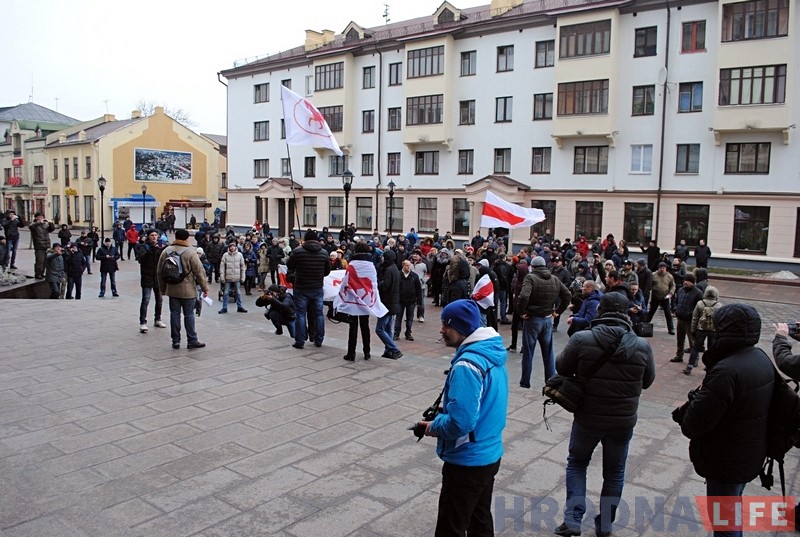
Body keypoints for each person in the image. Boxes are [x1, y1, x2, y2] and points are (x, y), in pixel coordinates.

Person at [554, 292, 655, 537]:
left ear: (601, 310)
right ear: (625, 313)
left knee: (577, 463)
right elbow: (648, 381)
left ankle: (573, 520)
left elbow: (561, 367)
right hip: (623, 419)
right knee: (615, 471)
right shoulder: (642, 346)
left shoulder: (582, 339)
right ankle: (606, 525)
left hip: (588, 416)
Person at [674, 304, 773, 537]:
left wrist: (691, 406)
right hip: (748, 453)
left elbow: (694, 424)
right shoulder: (759, 357)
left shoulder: (726, 371)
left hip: (726, 460)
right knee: (731, 511)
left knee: (724, 523)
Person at [416, 299, 508, 537]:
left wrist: (432, 427)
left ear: (463, 327)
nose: (441, 330)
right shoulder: (491, 353)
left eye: (447, 325)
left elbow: (461, 422)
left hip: (468, 459)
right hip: (489, 452)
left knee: (451, 526)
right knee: (480, 520)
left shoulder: (467, 365)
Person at [515, 256, 571, 389]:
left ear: (532, 267)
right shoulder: (554, 278)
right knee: (548, 353)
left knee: (528, 352)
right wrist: (558, 310)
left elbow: (523, 296)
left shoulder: (530, 278)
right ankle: (550, 381)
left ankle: (525, 381)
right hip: (547, 319)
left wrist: (521, 311)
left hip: (532, 319)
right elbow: (567, 294)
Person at [157, 229, 209, 349]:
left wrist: (162, 288)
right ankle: (192, 340)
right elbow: (199, 272)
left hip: (172, 289)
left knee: (174, 314)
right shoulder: (190, 252)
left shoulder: (167, 251)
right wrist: (205, 288)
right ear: (187, 238)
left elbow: (159, 272)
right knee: (189, 315)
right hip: (188, 290)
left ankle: (176, 340)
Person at [286, 229, 331, 349]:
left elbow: (289, 266)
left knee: (300, 314)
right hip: (317, 288)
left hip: (301, 287)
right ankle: (319, 339)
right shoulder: (324, 253)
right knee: (319, 314)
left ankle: (300, 340)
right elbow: (327, 271)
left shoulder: (297, 251)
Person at [683, 285, 722, 375]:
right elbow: (720, 320)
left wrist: (693, 330)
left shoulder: (700, 303)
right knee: (711, 349)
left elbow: (695, 318)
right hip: (713, 331)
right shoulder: (718, 305)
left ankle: (690, 367)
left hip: (701, 329)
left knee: (696, 349)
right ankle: (709, 367)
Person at [135, 229, 167, 333]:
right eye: (152, 235)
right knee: (146, 299)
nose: (154, 237)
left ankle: (158, 319)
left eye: (155, 235)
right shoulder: (144, 246)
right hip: (147, 276)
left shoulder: (159, 247)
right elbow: (140, 258)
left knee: (159, 299)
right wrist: (151, 250)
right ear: (148, 236)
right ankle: (143, 322)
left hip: (157, 277)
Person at [670, 273, 703, 364]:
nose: (685, 282)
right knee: (680, 339)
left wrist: (691, 314)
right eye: (685, 280)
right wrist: (675, 309)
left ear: (693, 282)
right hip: (680, 318)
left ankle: (694, 359)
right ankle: (679, 355)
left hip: (690, 320)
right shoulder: (680, 290)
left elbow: (699, 307)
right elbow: (676, 301)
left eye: (688, 281)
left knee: (692, 341)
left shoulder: (698, 293)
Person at [394, 259, 422, 342]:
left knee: (410, 318)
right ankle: (396, 333)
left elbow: (418, 289)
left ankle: (408, 333)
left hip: (411, 300)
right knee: (398, 318)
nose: (408, 267)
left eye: (409, 265)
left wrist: (419, 301)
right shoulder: (398, 275)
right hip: (400, 300)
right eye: (407, 265)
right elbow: (395, 288)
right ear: (403, 265)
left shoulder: (414, 276)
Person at [646, 262, 675, 335]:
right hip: (655, 296)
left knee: (668, 313)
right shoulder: (653, 275)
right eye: (660, 268)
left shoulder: (669, 276)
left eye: (663, 268)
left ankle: (671, 328)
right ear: (658, 268)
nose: (662, 269)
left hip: (665, 297)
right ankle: (645, 325)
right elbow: (649, 284)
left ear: (666, 269)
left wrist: (671, 292)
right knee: (651, 311)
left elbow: (672, 285)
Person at [219, 241, 247, 314]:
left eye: (233, 246)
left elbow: (243, 267)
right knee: (226, 292)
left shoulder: (240, 255)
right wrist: (222, 277)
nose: (232, 247)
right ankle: (224, 307)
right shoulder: (225, 255)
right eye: (230, 246)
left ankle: (240, 306)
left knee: (238, 292)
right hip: (228, 277)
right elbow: (222, 267)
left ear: (235, 247)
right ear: (229, 247)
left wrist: (243, 277)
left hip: (237, 277)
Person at [29, 212, 55, 279]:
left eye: (42, 217)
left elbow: (51, 229)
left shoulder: (45, 225)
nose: (41, 218)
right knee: (40, 261)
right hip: (39, 245)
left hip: (46, 245)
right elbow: (31, 227)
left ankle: (42, 273)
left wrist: (50, 223)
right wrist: (39, 222)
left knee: (45, 261)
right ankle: (38, 274)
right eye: (39, 217)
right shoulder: (34, 225)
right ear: (36, 217)